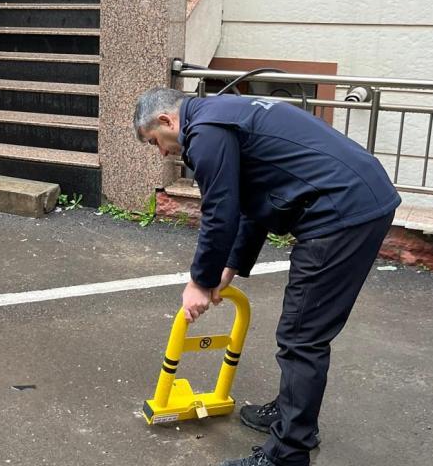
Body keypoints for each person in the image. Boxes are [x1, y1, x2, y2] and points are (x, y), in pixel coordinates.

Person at [133, 87, 400, 466]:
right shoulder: (221, 113)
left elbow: (220, 210)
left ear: (166, 120)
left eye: (154, 141)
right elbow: (250, 201)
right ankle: (293, 417)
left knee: (301, 336)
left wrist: (200, 281)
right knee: (303, 331)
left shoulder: (205, 133)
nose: (161, 152)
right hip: (357, 198)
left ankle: (287, 454)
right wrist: (229, 267)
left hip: (340, 212)